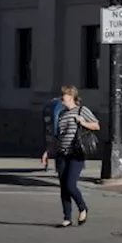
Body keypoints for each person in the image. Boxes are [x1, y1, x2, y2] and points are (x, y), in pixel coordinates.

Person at [41, 85, 101, 228]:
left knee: (70, 184)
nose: (62, 97)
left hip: (76, 153)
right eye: (62, 95)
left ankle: (82, 208)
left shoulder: (82, 110)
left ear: (72, 96)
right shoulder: (61, 114)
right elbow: (57, 136)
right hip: (62, 153)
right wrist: (48, 151)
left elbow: (97, 125)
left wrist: (83, 122)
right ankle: (67, 217)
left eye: (65, 95)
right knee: (63, 187)